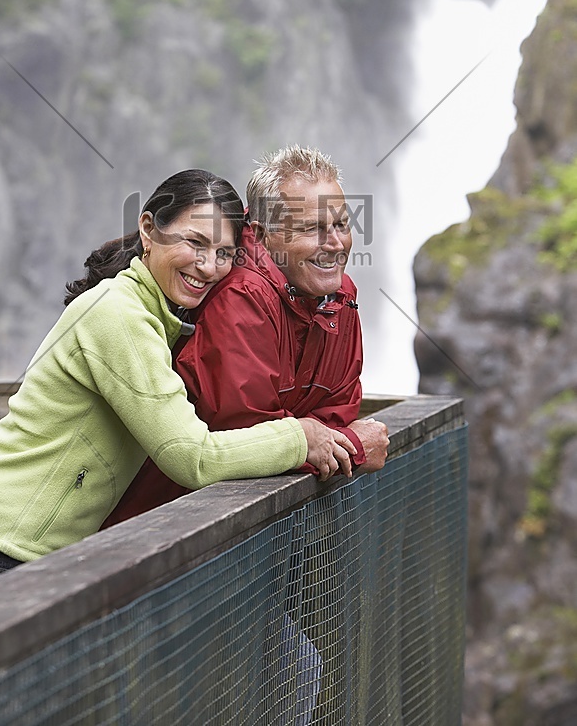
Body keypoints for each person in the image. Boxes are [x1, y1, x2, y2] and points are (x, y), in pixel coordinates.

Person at [0, 169, 355, 611]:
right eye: (194, 243)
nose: (208, 266)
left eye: (224, 253)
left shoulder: (162, 318)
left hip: (29, 562)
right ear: (149, 230)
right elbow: (191, 457)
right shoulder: (118, 314)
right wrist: (301, 437)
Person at [103, 146, 389, 525]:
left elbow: (338, 410)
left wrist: (322, 440)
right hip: (168, 530)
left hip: (252, 535)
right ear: (263, 235)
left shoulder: (338, 298)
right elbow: (250, 437)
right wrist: (350, 448)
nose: (335, 244)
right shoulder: (241, 297)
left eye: (340, 225)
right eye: (311, 229)